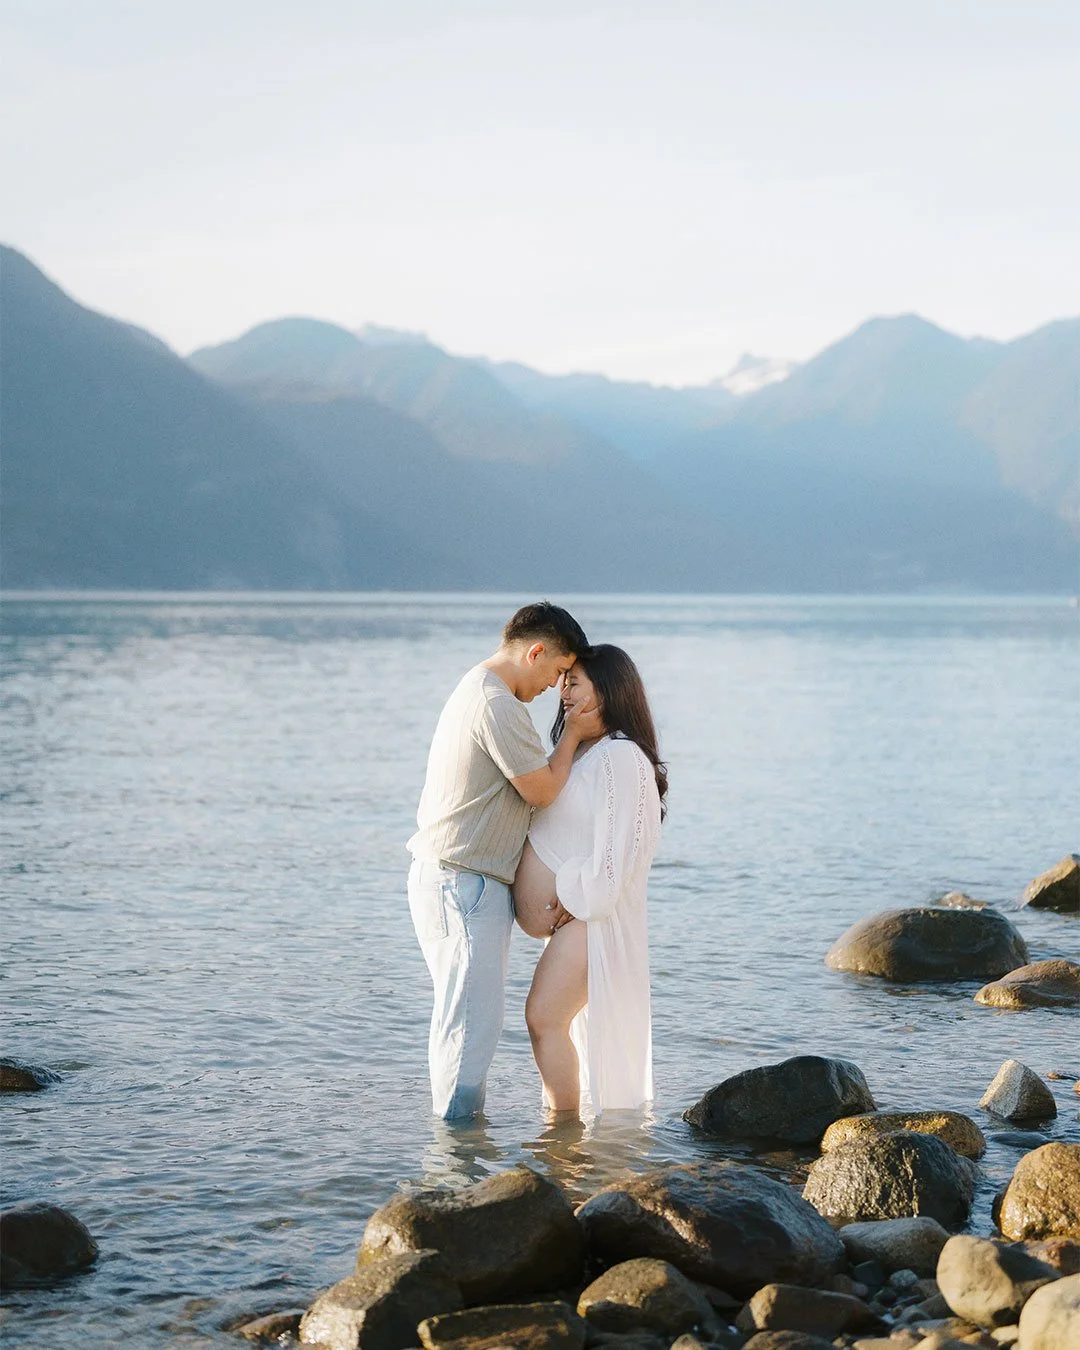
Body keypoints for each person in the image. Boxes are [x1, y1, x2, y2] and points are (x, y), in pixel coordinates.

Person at [407, 602, 601, 1120]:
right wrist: (578, 737)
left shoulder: (476, 688)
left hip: (453, 880)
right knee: (471, 1030)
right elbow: (539, 790)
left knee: (464, 1024)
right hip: (463, 885)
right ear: (535, 651)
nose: (555, 689)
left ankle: (456, 1164)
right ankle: (458, 1165)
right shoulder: (497, 702)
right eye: (559, 671)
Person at [513, 644, 666, 1116]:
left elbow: (617, 859)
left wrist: (571, 891)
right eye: (564, 680)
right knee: (548, 1024)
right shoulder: (587, 754)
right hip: (576, 921)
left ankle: (563, 1135)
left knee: (543, 1020)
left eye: (574, 681)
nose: (563, 691)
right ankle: (564, 1130)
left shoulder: (621, 757)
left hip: (590, 922)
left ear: (609, 689)